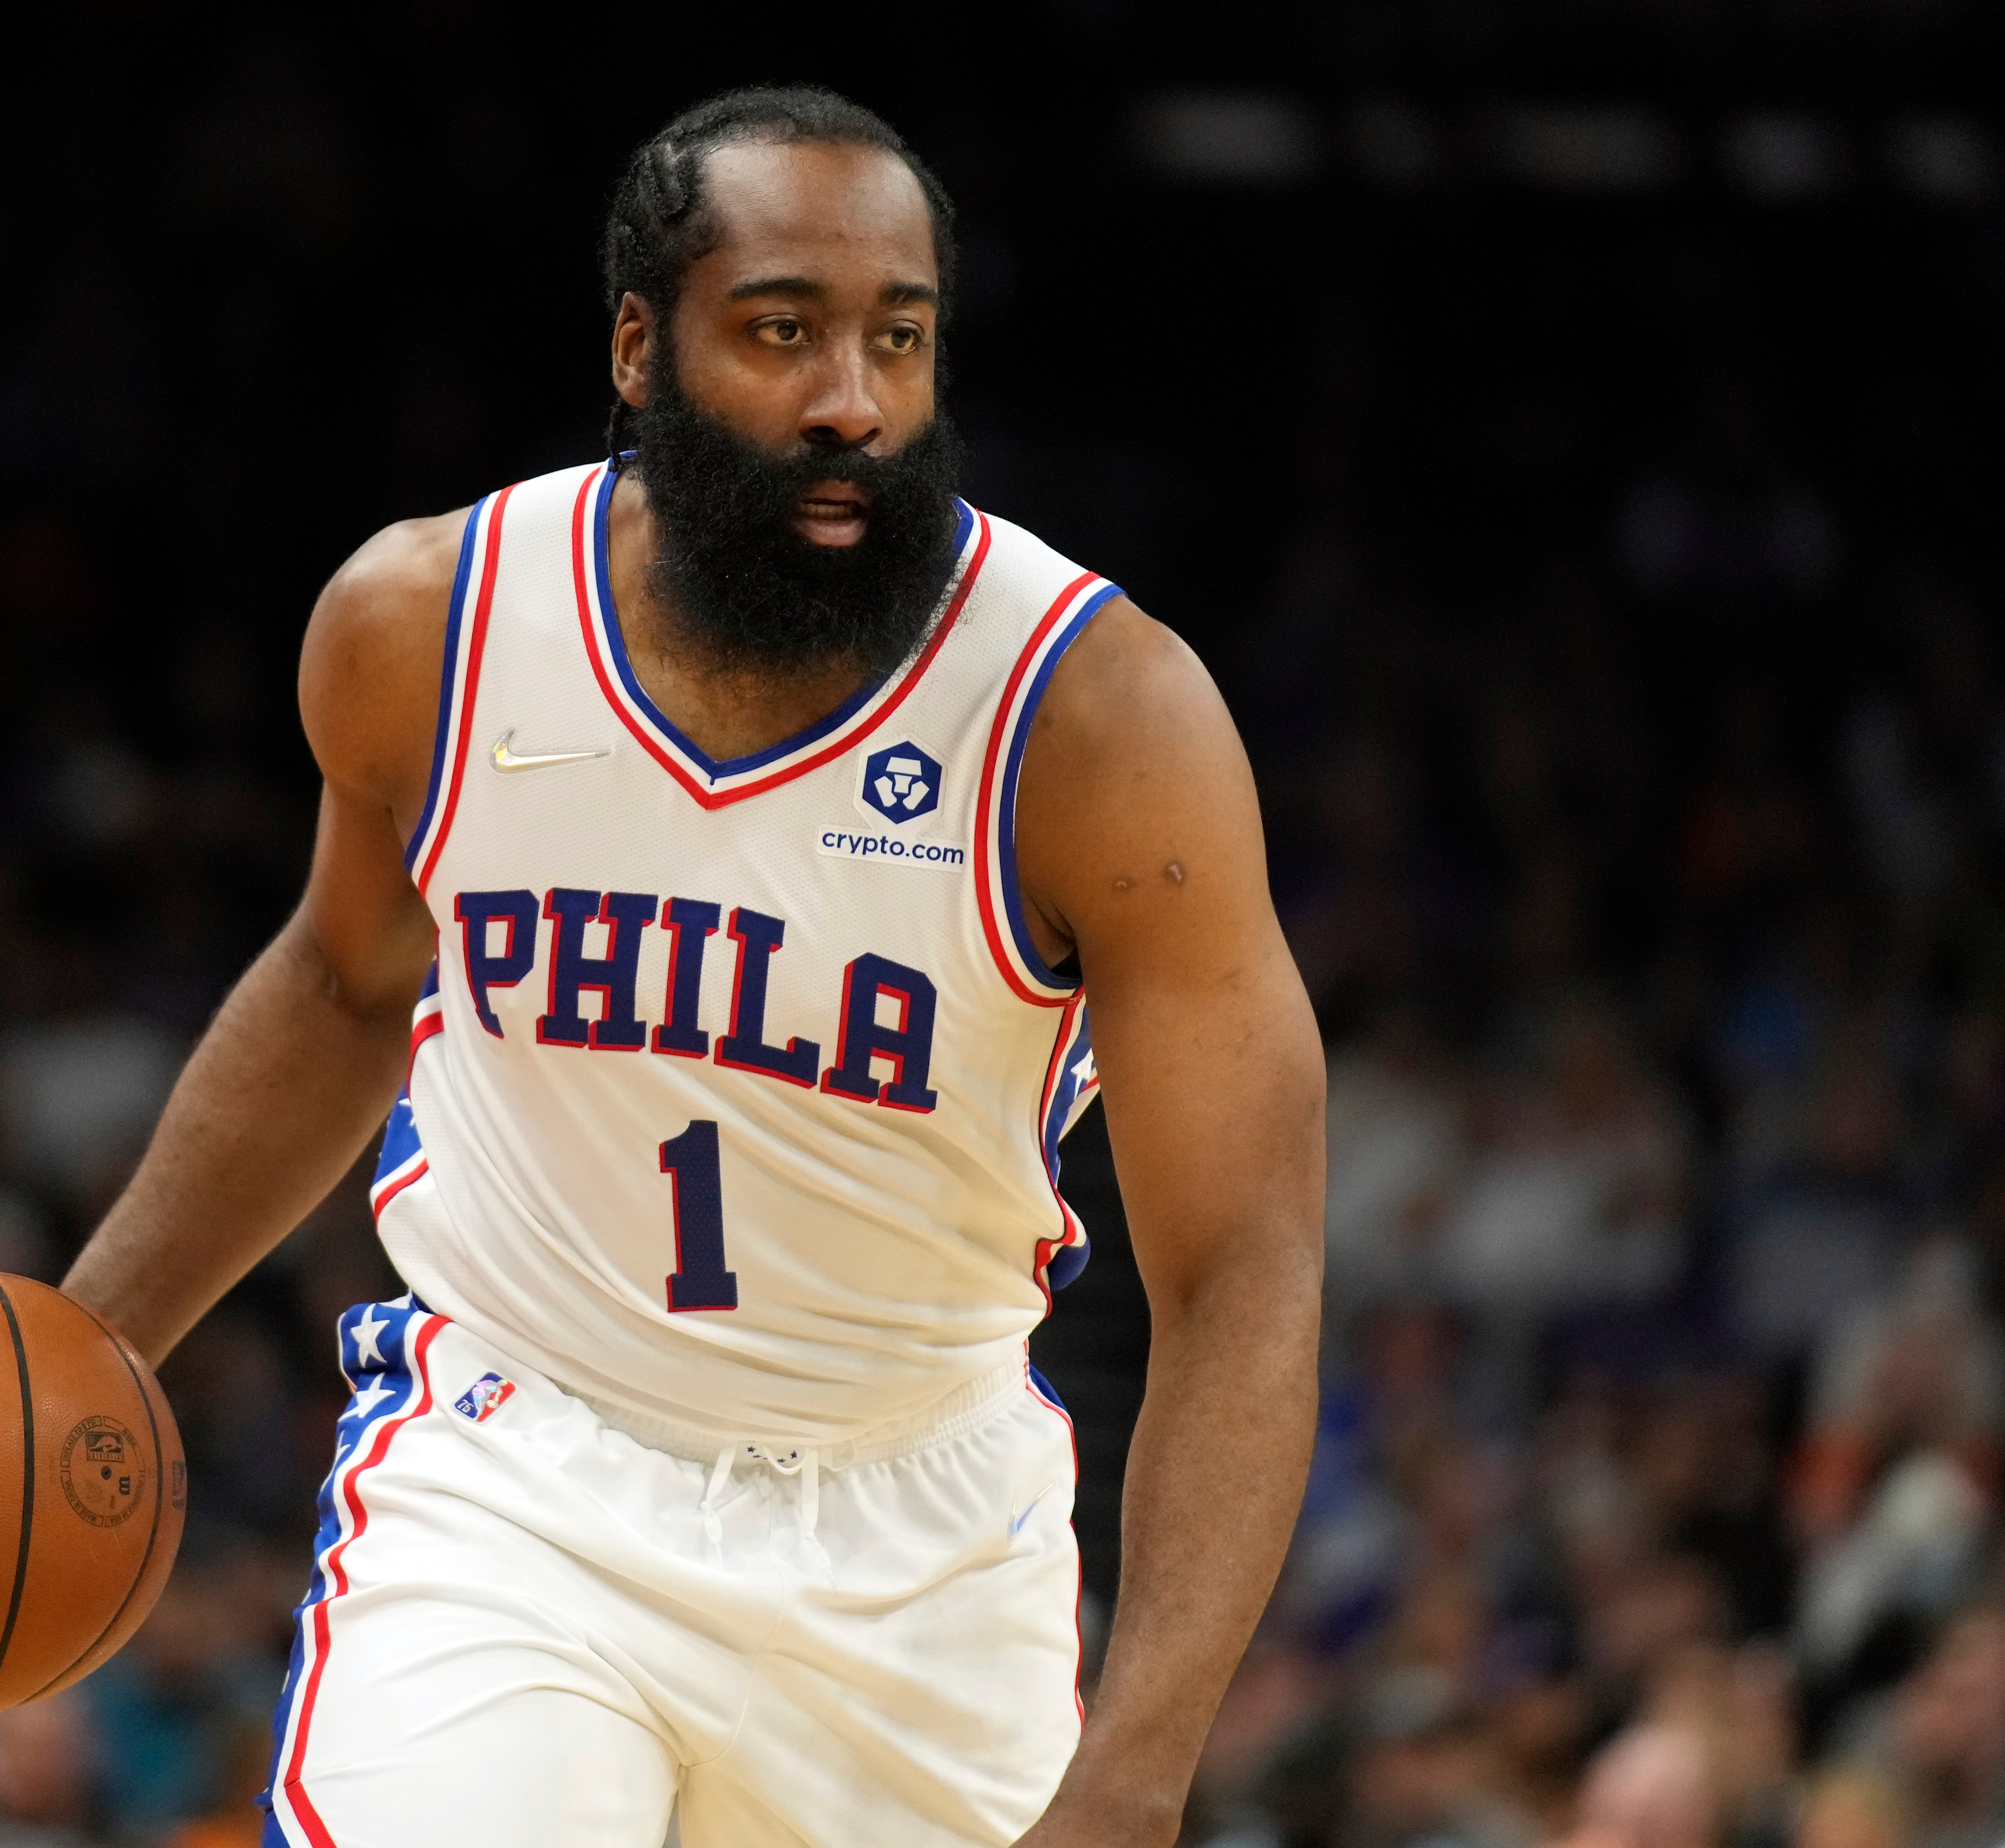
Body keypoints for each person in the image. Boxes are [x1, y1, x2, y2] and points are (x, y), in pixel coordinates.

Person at [65, 85, 1325, 1848]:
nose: (853, 401)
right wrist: (91, 1341)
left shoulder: (1100, 720)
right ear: (640, 349)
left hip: (917, 1543)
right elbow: (348, 986)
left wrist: (1135, 1773)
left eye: (901, 338)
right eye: (783, 331)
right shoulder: (429, 625)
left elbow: (1245, 1264)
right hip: (522, 1473)